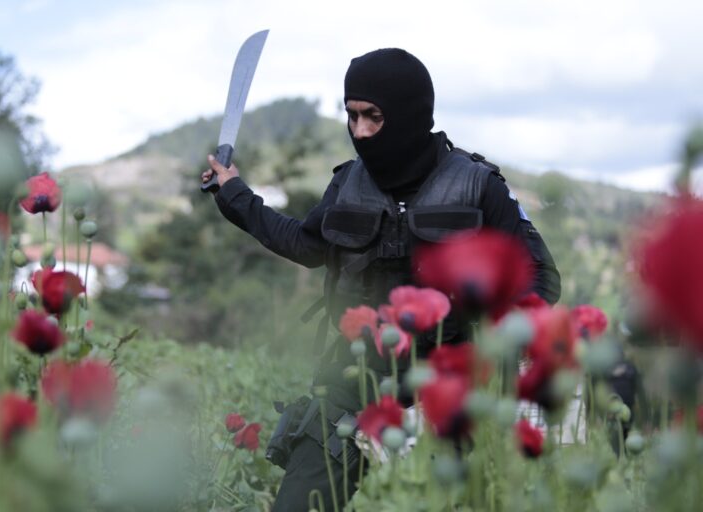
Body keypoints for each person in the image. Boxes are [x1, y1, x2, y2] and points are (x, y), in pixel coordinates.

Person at [202, 48, 560, 511]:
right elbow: (306, 245)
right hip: (352, 378)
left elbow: (540, 278)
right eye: (351, 116)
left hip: (449, 386)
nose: (360, 131)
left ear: (409, 114)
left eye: (373, 116)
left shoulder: (478, 184)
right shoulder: (348, 182)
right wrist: (235, 194)